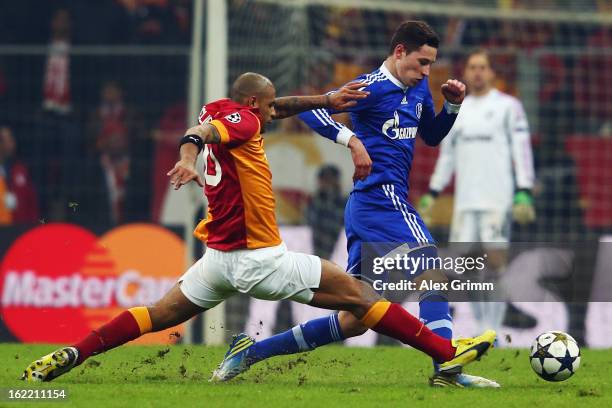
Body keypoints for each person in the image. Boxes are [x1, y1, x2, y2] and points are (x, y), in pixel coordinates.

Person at [21, 73, 495, 383]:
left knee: (155, 315)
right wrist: (187, 155)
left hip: (217, 263)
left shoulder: (221, 108)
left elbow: (255, 112)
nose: (273, 116)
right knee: (362, 298)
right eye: (267, 110)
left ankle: (73, 354)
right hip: (260, 260)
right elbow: (203, 134)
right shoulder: (243, 123)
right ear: (252, 105)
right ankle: (444, 350)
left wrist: (327, 100)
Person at [214, 21, 499, 388]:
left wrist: (453, 107)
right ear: (399, 53)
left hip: (366, 206)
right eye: (421, 62)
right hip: (384, 198)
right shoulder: (371, 87)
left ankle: (249, 353)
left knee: (356, 317)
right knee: (431, 269)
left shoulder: (419, 87)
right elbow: (310, 110)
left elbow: (430, 135)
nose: (426, 71)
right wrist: (351, 140)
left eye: (430, 64)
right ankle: (448, 367)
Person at [418, 49, 536, 334]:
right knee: (468, 268)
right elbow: (447, 156)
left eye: (483, 67)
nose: (478, 72)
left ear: (492, 72)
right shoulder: (459, 108)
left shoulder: (509, 107)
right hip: (466, 201)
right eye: (472, 67)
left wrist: (524, 189)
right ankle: (483, 327)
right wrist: (432, 193)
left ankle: (493, 329)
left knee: (495, 263)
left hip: (497, 199)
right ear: (466, 72)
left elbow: (521, 149)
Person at [0, 126, 39, 224]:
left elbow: (32, 202)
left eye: (11, 139)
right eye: (4, 140)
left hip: (20, 229)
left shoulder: (21, 170)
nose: (9, 144)